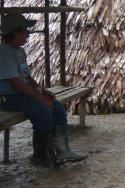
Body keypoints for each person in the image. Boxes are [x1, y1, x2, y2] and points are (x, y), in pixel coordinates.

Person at [0, 13, 87, 167]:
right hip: (8, 97)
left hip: (21, 94)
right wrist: (40, 99)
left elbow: (27, 78)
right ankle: (40, 156)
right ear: (14, 33)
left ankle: (63, 151)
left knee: (57, 107)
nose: (28, 34)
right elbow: (16, 84)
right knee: (43, 112)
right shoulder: (4, 53)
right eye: (25, 31)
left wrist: (42, 90)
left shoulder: (20, 51)